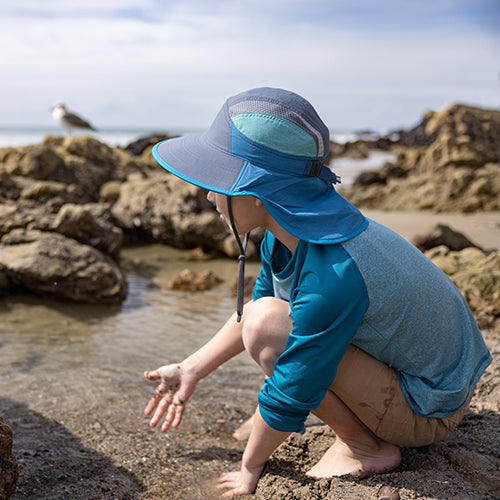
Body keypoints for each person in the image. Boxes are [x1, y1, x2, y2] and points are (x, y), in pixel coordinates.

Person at [143, 87, 492, 498]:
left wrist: (250, 467)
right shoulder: (293, 230)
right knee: (267, 316)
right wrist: (191, 369)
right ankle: (337, 426)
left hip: (429, 409)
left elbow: (291, 371)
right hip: (426, 380)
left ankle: (364, 447)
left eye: (217, 183)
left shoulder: (336, 272)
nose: (208, 195)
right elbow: (258, 307)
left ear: (255, 193)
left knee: (269, 329)